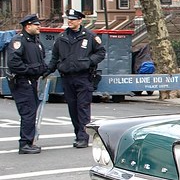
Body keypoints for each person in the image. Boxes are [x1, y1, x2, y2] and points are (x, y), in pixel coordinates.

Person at [47, 8, 106, 148]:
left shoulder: (90, 36)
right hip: (67, 77)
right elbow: (55, 57)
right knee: (73, 108)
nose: (70, 22)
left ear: (80, 21)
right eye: (69, 20)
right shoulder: (61, 38)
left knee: (83, 107)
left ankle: (83, 137)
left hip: (83, 77)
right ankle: (77, 133)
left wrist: (88, 62)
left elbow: (101, 53)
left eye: (73, 20)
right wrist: (48, 70)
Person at [7, 14, 48, 154]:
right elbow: (13, 63)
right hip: (22, 81)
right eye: (36, 25)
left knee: (31, 111)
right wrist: (31, 70)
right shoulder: (19, 41)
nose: (39, 27)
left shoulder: (36, 41)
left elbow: (41, 60)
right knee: (28, 112)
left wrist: (44, 69)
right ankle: (25, 143)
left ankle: (28, 141)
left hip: (32, 81)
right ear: (27, 26)